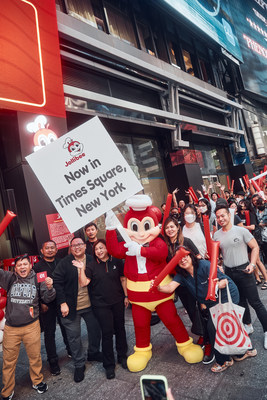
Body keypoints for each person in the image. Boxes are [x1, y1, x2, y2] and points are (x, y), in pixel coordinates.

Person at [155, 249, 257, 373]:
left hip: (226, 295)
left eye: (185, 256)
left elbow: (224, 281)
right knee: (226, 325)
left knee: (215, 328)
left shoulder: (204, 265)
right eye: (178, 259)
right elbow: (170, 287)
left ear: (191, 256)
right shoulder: (182, 275)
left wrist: (217, 285)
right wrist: (158, 287)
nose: (182, 260)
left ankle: (224, 360)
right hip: (212, 302)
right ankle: (245, 350)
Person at [0, 254, 55, 399]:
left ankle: (37, 381)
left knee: (35, 357)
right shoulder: (10, 278)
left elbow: (48, 298)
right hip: (11, 328)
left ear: (30, 266)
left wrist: (50, 287)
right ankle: (7, 390)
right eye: (19, 265)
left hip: (31, 326)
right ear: (15, 268)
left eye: (25, 264)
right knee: (8, 361)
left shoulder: (38, 279)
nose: (22, 267)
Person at [73, 239, 128, 379]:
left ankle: (122, 356)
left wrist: (126, 296)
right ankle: (109, 365)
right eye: (97, 249)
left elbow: (123, 279)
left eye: (102, 248)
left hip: (118, 302)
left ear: (107, 248)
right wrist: (80, 269)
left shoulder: (116, 261)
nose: (99, 251)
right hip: (101, 305)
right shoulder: (91, 266)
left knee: (120, 329)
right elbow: (84, 282)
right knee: (107, 333)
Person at [214, 205, 267, 349]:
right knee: (240, 301)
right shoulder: (216, 235)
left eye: (223, 215)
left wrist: (252, 264)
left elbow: (255, 247)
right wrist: (217, 261)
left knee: (255, 302)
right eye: (218, 217)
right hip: (229, 272)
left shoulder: (241, 231)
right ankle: (248, 325)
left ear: (229, 215)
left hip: (244, 270)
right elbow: (219, 255)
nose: (220, 219)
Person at [53, 237, 102, 383]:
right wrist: (62, 303)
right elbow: (57, 281)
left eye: (80, 244)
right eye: (74, 245)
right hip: (70, 307)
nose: (77, 247)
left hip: (91, 305)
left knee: (95, 330)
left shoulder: (92, 259)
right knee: (74, 337)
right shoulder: (65, 262)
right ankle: (79, 364)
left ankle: (93, 352)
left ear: (85, 246)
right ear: (71, 248)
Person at [34, 240, 71, 375]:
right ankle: (53, 361)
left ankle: (70, 350)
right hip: (47, 305)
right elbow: (36, 287)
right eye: (47, 248)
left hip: (62, 302)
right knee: (49, 333)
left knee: (66, 327)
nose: (49, 250)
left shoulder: (62, 262)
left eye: (52, 248)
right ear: (42, 251)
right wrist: (41, 303)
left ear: (56, 250)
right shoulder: (37, 267)